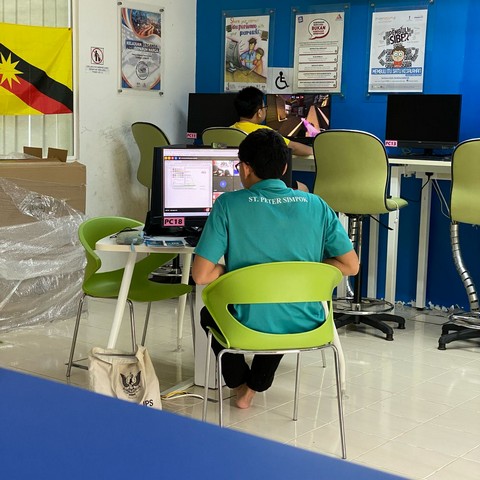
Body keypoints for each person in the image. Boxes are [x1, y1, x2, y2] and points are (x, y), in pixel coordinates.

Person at [192, 129, 359, 409]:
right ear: (283, 169)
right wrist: (305, 272)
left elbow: (200, 275)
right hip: (308, 324)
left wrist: (228, 269)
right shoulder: (317, 205)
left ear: (245, 168)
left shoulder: (228, 205)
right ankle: (254, 386)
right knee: (283, 308)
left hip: (245, 326)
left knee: (209, 315)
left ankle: (239, 383)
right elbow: (351, 266)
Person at [231, 86, 314, 157]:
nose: (266, 110)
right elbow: (293, 148)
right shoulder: (264, 132)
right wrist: (314, 150)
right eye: (265, 107)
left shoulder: (230, 130)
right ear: (259, 112)